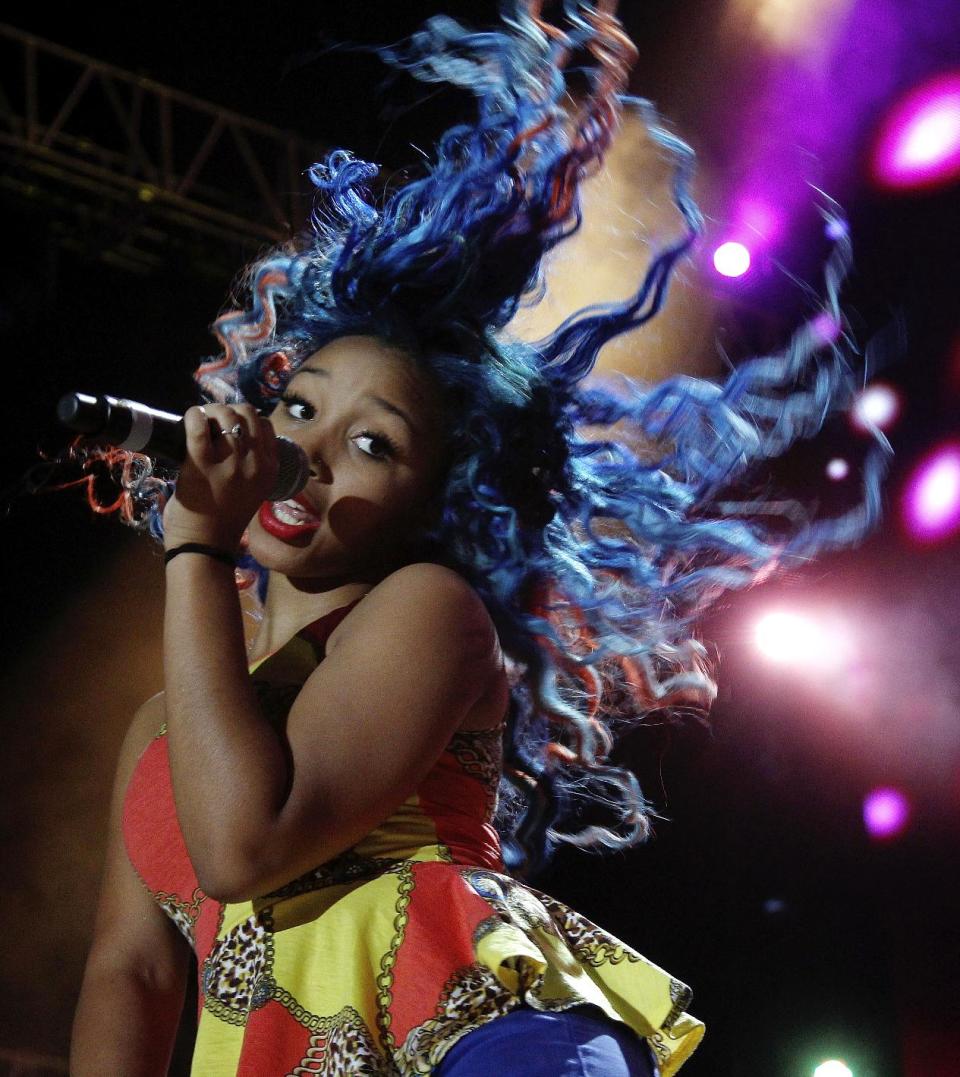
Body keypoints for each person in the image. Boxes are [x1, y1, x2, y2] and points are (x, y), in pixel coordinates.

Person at [69, 2, 889, 1074]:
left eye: (372, 443)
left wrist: (191, 552)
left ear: (432, 505)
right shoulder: (163, 727)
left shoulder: (430, 612)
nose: (307, 455)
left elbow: (243, 844)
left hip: (479, 1040)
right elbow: (129, 973)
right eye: (301, 408)